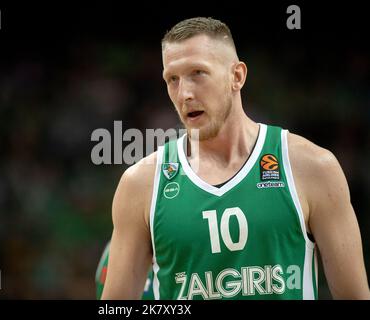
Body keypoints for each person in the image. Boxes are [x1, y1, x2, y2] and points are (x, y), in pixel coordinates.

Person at [101, 17, 370, 300]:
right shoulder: (140, 184)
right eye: (172, 79)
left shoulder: (312, 167)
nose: (185, 93)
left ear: (237, 76)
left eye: (198, 73)